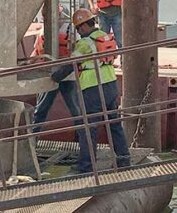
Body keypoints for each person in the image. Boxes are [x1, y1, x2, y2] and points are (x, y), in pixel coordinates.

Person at [50, 9, 130, 174]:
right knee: (114, 124)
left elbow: (71, 64)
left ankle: (86, 166)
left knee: (88, 128)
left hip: (93, 89)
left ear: (84, 26)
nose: (79, 32)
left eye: (78, 28)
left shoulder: (85, 43)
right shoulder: (104, 36)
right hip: (110, 85)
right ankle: (124, 159)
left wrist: (55, 77)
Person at [30, 20, 85, 140]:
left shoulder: (71, 30)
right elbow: (37, 50)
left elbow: (79, 52)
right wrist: (29, 63)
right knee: (41, 109)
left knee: (76, 110)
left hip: (68, 77)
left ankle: (82, 141)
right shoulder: (44, 30)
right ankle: (32, 140)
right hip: (49, 76)